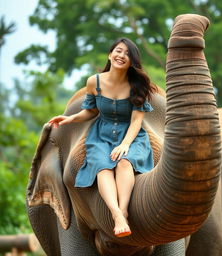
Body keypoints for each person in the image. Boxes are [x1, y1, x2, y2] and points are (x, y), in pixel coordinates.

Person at [48, 37, 157, 238]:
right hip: (101, 135)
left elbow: (136, 121)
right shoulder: (94, 82)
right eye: (118, 51)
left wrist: (125, 145)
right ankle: (116, 215)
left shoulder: (137, 85)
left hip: (131, 136)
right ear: (110, 54)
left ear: (132, 61)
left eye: (127, 54)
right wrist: (70, 118)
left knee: (124, 162)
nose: (121, 56)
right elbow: (90, 111)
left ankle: (123, 211)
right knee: (102, 166)